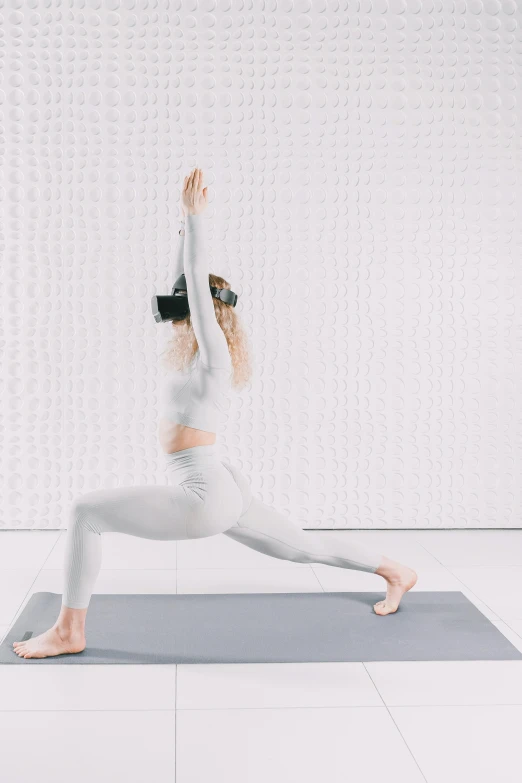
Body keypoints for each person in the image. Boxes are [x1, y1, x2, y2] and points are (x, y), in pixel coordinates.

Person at [13, 167, 417, 659]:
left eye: (189, 298)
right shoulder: (189, 351)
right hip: (220, 482)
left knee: (85, 514)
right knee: (298, 547)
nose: (175, 303)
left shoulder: (213, 355)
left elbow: (196, 291)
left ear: (208, 309)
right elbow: (183, 287)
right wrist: (183, 227)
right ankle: (396, 571)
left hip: (204, 492)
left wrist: (197, 222)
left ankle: (68, 631)